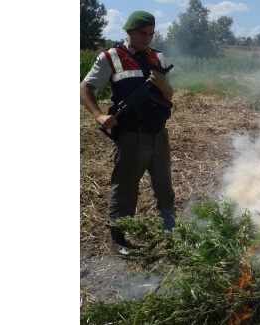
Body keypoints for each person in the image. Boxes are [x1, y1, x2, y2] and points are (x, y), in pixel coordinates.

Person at [80, 10, 176, 256]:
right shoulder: (111, 57)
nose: (147, 38)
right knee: (125, 188)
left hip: (159, 134)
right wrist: (99, 115)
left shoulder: (158, 57)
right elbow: (85, 87)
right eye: (142, 33)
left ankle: (170, 230)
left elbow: (169, 95)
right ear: (129, 32)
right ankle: (119, 238)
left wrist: (164, 86)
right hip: (130, 135)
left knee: (164, 184)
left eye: (151, 34)